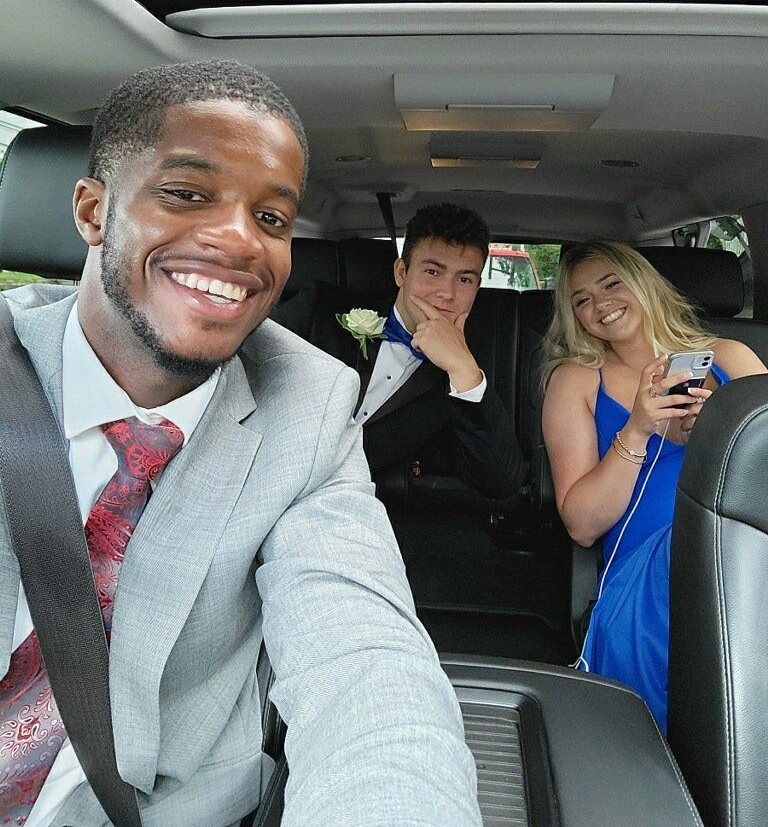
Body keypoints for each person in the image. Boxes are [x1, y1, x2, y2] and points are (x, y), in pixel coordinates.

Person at [0, 61, 482, 827]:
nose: (237, 239)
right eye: (187, 194)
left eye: (271, 218)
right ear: (93, 210)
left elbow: (365, 663)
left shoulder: (307, 408)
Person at [541, 240, 766, 734]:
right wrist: (638, 429)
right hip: (647, 566)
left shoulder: (731, 357)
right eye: (582, 300)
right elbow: (581, 525)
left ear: (642, 284)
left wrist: (719, 430)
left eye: (611, 284)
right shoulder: (577, 380)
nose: (600, 304)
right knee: (692, 554)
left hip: (745, 547)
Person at [303, 203, 525, 499]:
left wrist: (462, 369)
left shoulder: (469, 377)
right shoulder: (321, 312)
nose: (447, 293)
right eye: (433, 271)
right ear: (401, 272)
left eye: (464, 279)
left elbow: (502, 482)